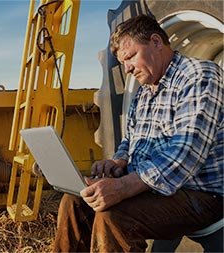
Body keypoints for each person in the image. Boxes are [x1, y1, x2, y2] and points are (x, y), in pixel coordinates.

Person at [53, 15, 223, 252]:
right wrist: (118, 162)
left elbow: (185, 154)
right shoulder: (144, 93)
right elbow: (131, 140)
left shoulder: (198, 75)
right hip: (156, 190)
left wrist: (122, 187)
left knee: (112, 217)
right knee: (74, 203)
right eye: (123, 63)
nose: (128, 68)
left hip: (200, 194)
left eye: (131, 56)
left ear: (155, 42)